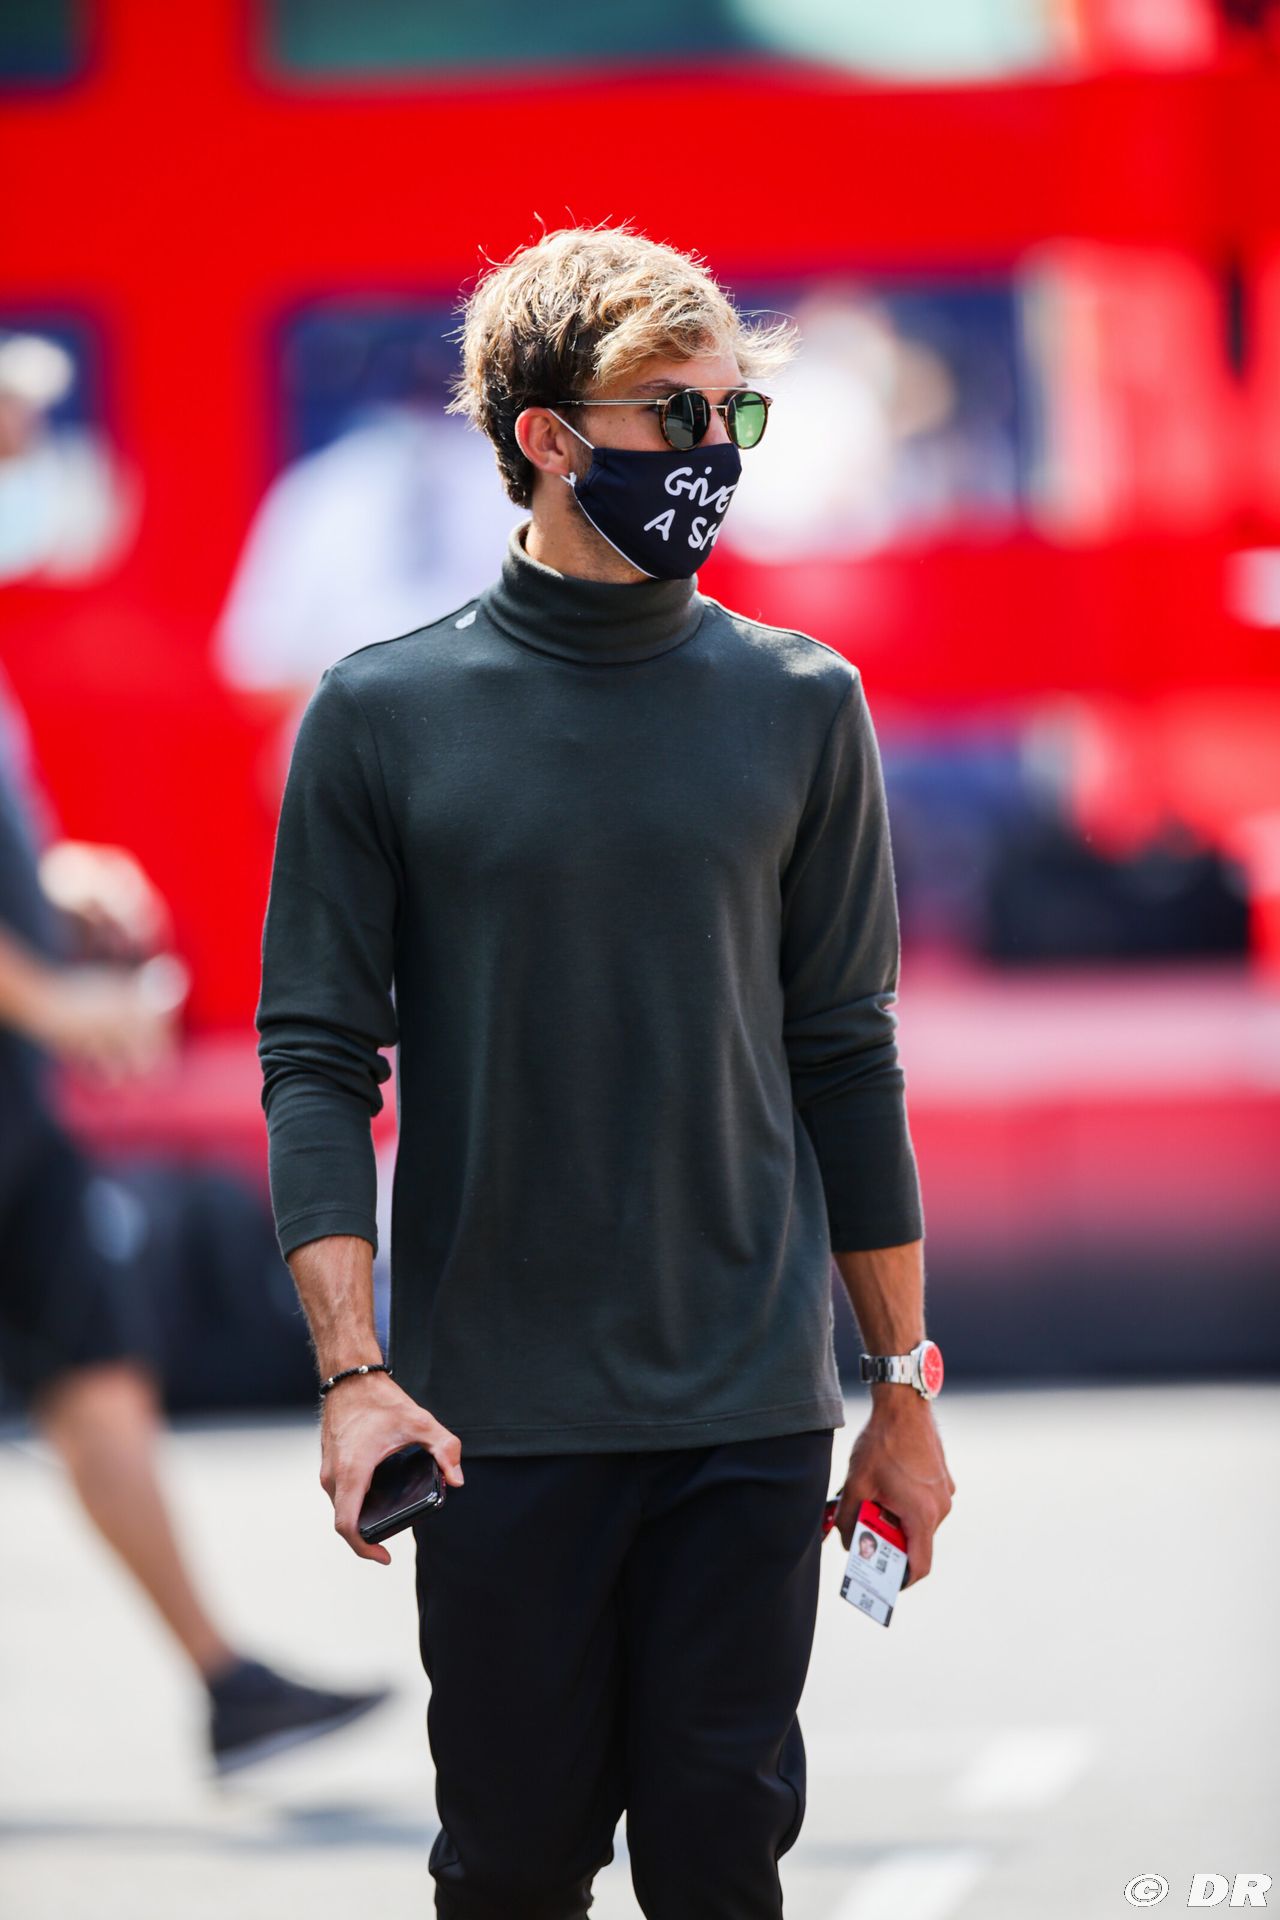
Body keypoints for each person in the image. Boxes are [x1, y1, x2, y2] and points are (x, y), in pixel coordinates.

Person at [256, 223, 956, 1916]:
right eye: (673, 414)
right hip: (494, 1419)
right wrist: (355, 1375)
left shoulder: (804, 704)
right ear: (547, 435)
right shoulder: (380, 717)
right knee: (513, 1869)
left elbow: (847, 1054)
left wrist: (901, 1389)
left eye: (733, 416)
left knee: (720, 1857)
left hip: (751, 1406)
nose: (712, 453)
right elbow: (318, 1059)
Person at [0, 662, 391, 1775]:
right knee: (91, 1373)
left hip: (18, 1119)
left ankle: (227, 1684)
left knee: (96, 1376)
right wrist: (56, 1000)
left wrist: (52, 884)